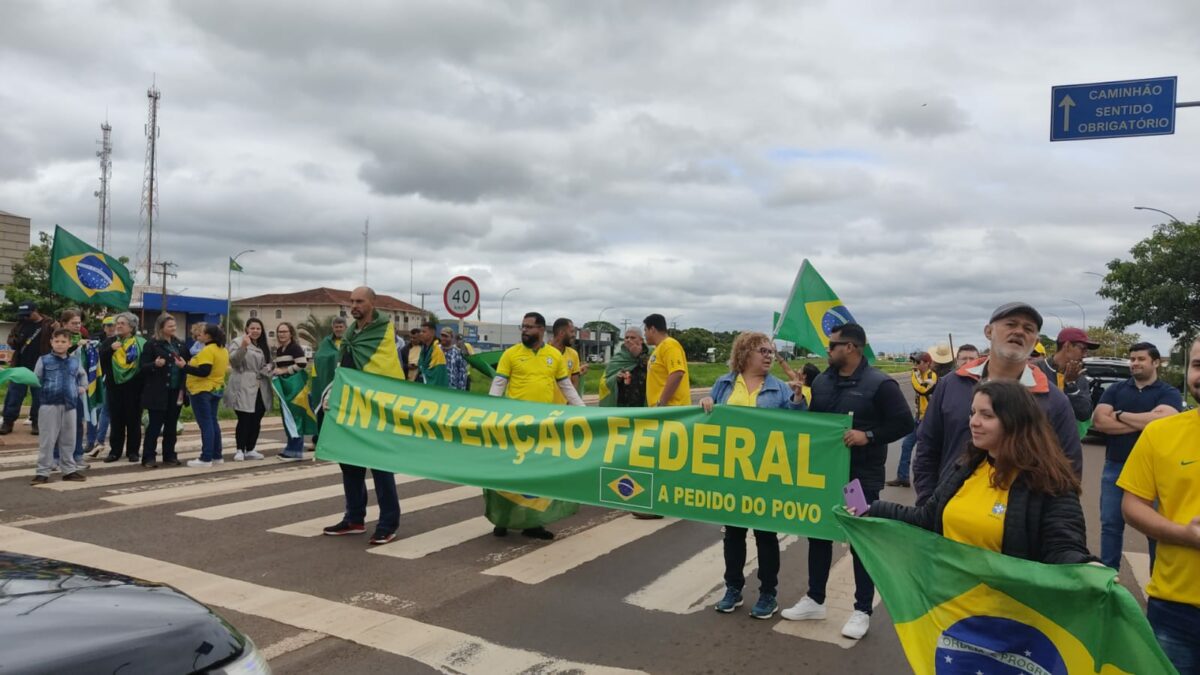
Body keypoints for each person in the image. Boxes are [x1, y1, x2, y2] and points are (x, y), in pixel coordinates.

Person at [866, 381, 1096, 565]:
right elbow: (927, 518)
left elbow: (1063, 548)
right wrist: (872, 509)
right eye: (973, 412)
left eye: (986, 415)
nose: (974, 422)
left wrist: (1087, 566)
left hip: (1003, 616)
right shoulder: (966, 467)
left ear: (1015, 422)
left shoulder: (1050, 482)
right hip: (947, 607)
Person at [780, 322, 913, 639]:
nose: (827, 351)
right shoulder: (824, 381)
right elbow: (816, 423)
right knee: (818, 534)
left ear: (850, 348)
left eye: (832, 345)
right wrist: (799, 400)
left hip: (857, 480)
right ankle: (815, 599)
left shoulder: (880, 384)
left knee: (859, 541)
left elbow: (904, 423)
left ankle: (861, 610)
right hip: (825, 477)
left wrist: (867, 436)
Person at [912, 302, 1083, 507]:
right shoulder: (952, 384)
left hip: (1016, 524)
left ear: (1035, 340)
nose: (1019, 332)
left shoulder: (1053, 400)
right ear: (988, 331)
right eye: (1011, 324)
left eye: (1028, 329)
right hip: (947, 514)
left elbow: (1069, 467)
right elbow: (927, 449)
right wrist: (928, 503)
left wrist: (1044, 522)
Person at [700, 332, 806, 620]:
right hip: (732, 473)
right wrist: (707, 402)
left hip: (765, 474)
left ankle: (768, 594)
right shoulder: (724, 383)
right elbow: (709, 419)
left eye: (772, 351)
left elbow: (799, 425)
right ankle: (733, 588)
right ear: (745, 352)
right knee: (733, 533)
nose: (770, 355)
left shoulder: (780, 389)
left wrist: (797, 397)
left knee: (765, 534)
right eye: (763, 350)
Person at [1118, 337, 1200, 674]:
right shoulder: (1160, 433)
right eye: (1198, 365)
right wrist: (1184, 534)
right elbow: (1132, 505)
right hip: (1175, 608)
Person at [487, 312, 585, 539]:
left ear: (541, 330)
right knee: (507, 473)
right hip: (514, 425)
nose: (524, 330)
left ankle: (532, 524)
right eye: (522, 326)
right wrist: (488, 413)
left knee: (534, 475)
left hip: (541, 426)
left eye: (529, 327)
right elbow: (498, 384)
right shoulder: (510, 354)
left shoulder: (553, 356)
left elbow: (566, 386)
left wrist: (583, 412)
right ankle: (502, 519)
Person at [1091, 342, 1184, 570]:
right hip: (1116, 465)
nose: (1134, 363)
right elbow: (1100, 421)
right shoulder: (1116, 390)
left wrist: (1120, 415)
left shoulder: (1168, 392)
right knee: (1111, 525)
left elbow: (1165, 421)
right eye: (1132, 359)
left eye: (1141, 359)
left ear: (1155, 362)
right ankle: (1109, 577)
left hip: (1154, 470)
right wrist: (1145, 423)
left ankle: (1157, 577)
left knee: (1154, 528)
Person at [322, 287, 404, 545]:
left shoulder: (384, 332)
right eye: (352, 301)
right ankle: (354, 518)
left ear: (372, 303)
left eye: (359, 301)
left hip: (376, 407)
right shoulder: (349, 333)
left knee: (380, 466)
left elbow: (386, 369)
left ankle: (388, 524)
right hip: (351, 406)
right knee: (349, 464)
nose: (354, 305)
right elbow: (345, 366)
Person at [29, 329, 88, 485]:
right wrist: (30, 380)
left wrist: (83, 387)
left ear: (69, 344)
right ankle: (42, 472)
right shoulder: (44, 360)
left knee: (69, 439)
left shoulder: (75, 361)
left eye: (63, 341)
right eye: (57, 341)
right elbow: (35, 379)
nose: (60, 344)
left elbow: (82, 376)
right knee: (47, 440)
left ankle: (69, 470)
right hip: (49, 404)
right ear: (51, 342)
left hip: (70, 405)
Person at [177, 323, 229, 467]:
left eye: (203, 333)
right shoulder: (222, 350)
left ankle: (205, 458)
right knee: (212, 422)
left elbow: (204, 371)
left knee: (206, 424)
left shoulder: (207, 350)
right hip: (216, 388)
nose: (200, 335)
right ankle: (217, 455)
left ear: (209, 336)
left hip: (202, 390)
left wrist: (184, 367)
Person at [139, 315, 186, 468]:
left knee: (172, 425)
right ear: (161, 328)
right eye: (169, 326)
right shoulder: (152, 344)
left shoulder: (179, 344)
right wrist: (155, 364)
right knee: (155, 425)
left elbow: (188, 361)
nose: (173, 328)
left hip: (175, 390)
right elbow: (142, 366)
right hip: (158, 391)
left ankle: (169, 455)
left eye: (174, 325)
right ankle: (148, 457)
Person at [100, 313, 145, 463]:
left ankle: (133, 451)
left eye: (122, 323)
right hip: (114, 387)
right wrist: (111, 350)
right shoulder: (110, 342)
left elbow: (144, 365)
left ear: (131, 327)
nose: (118, 326)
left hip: (134, 388)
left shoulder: (141, 343)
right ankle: (115, 451)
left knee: (133, 421)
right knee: (116, 420)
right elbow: (101, 360)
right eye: (117, 323)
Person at [226, 317, 273, 461]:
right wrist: (243, 347)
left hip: (261, 385)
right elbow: (234, 361)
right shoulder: (238, 342)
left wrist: (270, 368)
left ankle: (251, 448)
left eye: (258, 328)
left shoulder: (264, 345)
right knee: (244, 417)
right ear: (246, 329)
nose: (255, 331)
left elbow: (268, 362)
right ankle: (240, 449)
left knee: (257, 417)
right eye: (252, 328)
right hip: (244, 384)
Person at [887, 352, 937, 488]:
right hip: (918, 417)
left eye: (918, 362)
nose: (915, 365)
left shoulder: (932, 376)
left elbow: (922, 390)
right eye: (914, 362)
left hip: (928, 419)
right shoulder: (919, 375)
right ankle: (903, 477)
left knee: (925, 451)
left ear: (927, 363)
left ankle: (927, 480)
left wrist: (913, 376)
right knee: (906, 445)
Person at [2, 301, 52, 435]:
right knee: (14, 395)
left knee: (39, 397)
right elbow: (11, 341)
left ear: (36, 311)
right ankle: (8, 422)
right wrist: (15, 341)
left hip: (41, 367)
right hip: (20, 366)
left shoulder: (49, 324)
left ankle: (36, 422)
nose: (26, 317)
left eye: (28, 314)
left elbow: (57, 338)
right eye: (23, 315)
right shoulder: (20, 324)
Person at [1035, 327, 1098, 423]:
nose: (1085, 355)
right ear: (1067, 346)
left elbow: (1085, 414)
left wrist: (1071, 385)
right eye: (1083, 349)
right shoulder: (1036, 370)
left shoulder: (1080, 378)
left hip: (1065, 436)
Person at [272, 321, 308, 461]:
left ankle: (296, 450)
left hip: (295, 387)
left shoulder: (295, 348)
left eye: (284, 331)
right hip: (285, 386)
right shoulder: (280, 349)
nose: (281, 334)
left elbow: (302, 363)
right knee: (288, 417)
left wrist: (285, 370)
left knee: (295, 417)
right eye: (279, 332)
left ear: (291, 333)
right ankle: (290, 448)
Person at [311, 316, 347, 445]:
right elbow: (320, 357)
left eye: (340, 327)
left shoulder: (350, 341)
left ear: (345, 328)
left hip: (345, 381)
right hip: (327, 381)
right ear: (333, 328)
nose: (338, 329)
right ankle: (319, 439)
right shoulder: (326, 342)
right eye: (336, 327)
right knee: (322, 409)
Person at [643, 314, 691, 408]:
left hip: (670, 409)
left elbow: (677, 373)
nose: (644, 334)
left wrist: (661, 403)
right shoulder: (658, 349)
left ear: (652, 329)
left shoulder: (669, 345)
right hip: (661, 410)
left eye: (645, 330)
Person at [85, 316, 116, 457]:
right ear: (104, 327)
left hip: (112, 379)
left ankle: (99, 441)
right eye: (108, 325)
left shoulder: (123, 341)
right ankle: (93, 441)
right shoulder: (96, 340)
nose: (111, 328)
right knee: (96, 411)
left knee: (105, 411)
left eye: (113, 325)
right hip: (96, 379)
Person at [599, 328, 649, 408]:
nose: (628, 340)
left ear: (641, 340)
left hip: (644, 404)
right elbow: (605, 382)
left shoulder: (650, 354)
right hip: (622, 405)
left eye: (632, 338)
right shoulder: (618, 358)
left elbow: (654, 373)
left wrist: (639, 356)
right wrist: (616, 379)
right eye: (626, 337)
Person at [550, 318, 583, 403]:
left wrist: (570, 402)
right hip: (545, 406)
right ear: (561, 333)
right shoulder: (544, 352)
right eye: (571, 332)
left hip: (563, 408)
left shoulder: (573, 354)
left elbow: (574, 382)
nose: (574, 335)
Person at [415, 321, 449, 387]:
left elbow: (435, 374)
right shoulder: (424, 348)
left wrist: (423, 372)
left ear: (432, 333)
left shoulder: (437, 350)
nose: (421, 334)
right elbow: (421, 366)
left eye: (424, 332)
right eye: (420, 331)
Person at [439, 327, 469, 391]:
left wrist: (461, 391)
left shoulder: (457, 352)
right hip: (437, 387)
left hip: (452, 389)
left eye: (446, 336)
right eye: (442, 336)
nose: (443, 338)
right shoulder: (435, 350)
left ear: (451, 338)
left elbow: (462, 373)